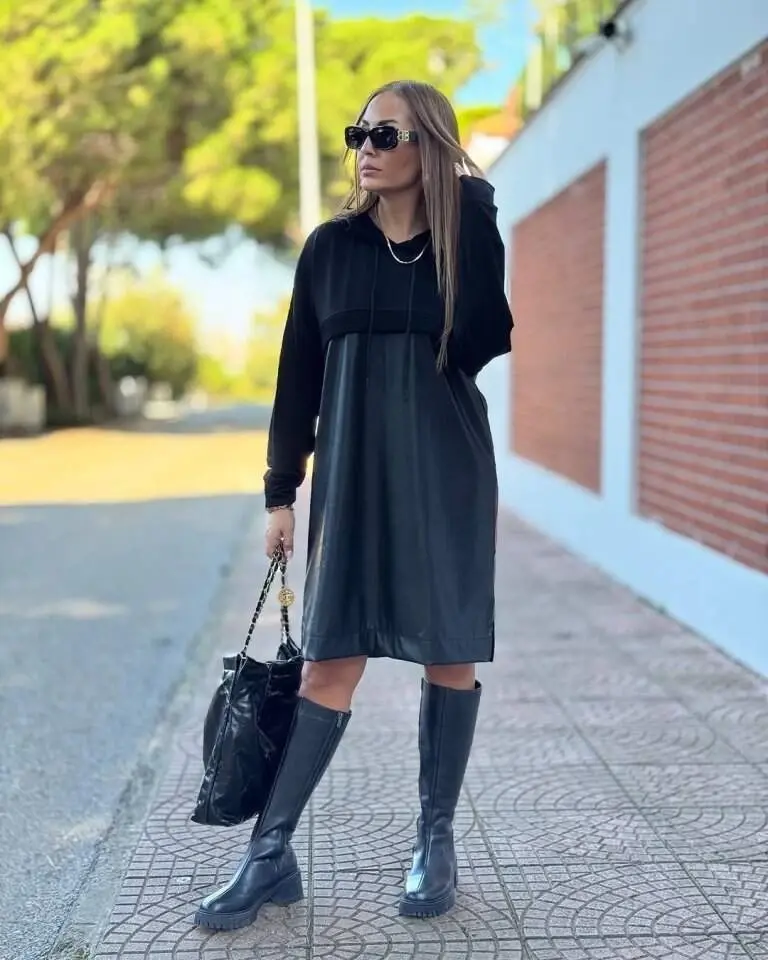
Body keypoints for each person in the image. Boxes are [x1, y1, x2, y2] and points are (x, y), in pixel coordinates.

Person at [195, 79, 514, 932]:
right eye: (358, 133)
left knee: (449, 654)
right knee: (329, 663)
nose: (366, 147)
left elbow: (485, 337)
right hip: (350, 479)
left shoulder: (461, 240)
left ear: (430, 148)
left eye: (387, 134)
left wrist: (474, 205)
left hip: (446, 472)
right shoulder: (330, 248)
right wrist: (280, 492)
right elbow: (296, 375)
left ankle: (435, 839)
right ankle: (269, 853)